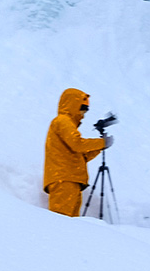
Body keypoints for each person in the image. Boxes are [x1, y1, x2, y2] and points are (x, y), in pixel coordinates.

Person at [43, 87, 112, 216]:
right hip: (63, 180)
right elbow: (77, 144)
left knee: (70, 226)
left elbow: (81, 156)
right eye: (82, 110)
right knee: (60, 223)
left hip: (70, 180)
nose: (82, 115)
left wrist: (100, 146)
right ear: (73, 105)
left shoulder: (66, 125)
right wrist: (101, 143)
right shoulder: (62, 121)